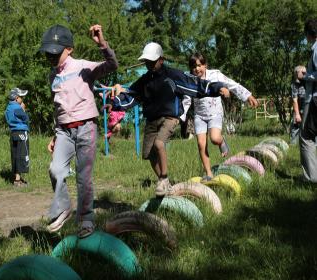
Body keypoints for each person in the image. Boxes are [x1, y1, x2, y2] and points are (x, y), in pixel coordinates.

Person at [40, 24, 118, 238]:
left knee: (83, 177)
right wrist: (56, 134)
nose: (51, 56)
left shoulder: (83, 67)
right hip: (64, 131)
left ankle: (86, 219)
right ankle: (64, 208)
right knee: (55, 170)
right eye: (48, 52)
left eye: (55, 52)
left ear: (69, 49)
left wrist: (102, 43)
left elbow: (112, 65)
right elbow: (58, 107)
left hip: (86, 128)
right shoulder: (52, 76)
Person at [128, 42, 230, 196]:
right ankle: (165, 184)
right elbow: (130, 92)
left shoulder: (173, 75)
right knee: (149, 154)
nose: (149, 64)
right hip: (151, 120)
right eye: (146, 61)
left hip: (170, 117)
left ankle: (164, 178)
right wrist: (115, 102)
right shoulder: (145, 79)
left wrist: (216, 88)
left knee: (159, 143)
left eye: (152, 61)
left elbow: (196, 85)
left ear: (161, 60)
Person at [184, 52, 258, 181]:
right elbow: (186, 99)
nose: (197, 69)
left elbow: (231, 84)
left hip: (215, 113)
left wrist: (248, 96)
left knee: (214, 138)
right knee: (201, 145)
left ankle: (221, 141)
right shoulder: (190, 79)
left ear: (205, 65)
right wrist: (181, 115)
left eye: (199, 65)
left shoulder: (215, 75)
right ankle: (208, 173)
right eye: (193, 67)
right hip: (199, 115)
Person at [297, 19, 317, 183]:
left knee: (305, 136)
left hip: (315, 99)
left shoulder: (316, 49)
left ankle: (311, 177)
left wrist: (306, 76)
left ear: (310, 34)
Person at [4, 87, 30, 187]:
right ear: (16, 98)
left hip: (13, 133)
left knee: (15, 155)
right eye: (21, 97)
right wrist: (23, 109)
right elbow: (26, 118)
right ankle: (18, 180)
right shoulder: (17, 108)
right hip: (21, 132)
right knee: (22, 154)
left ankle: (16, 178)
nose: (22, 99)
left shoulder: (8, 108)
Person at [290, 65, 307, 145]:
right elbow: (294, 100)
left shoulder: (310, 82)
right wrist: (297, 114)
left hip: (310, 107)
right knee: (295, 126)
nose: (300, 74)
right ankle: (293, 145)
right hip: (299, 107)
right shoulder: (294, 84)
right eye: (297, 72)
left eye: (304, 72)